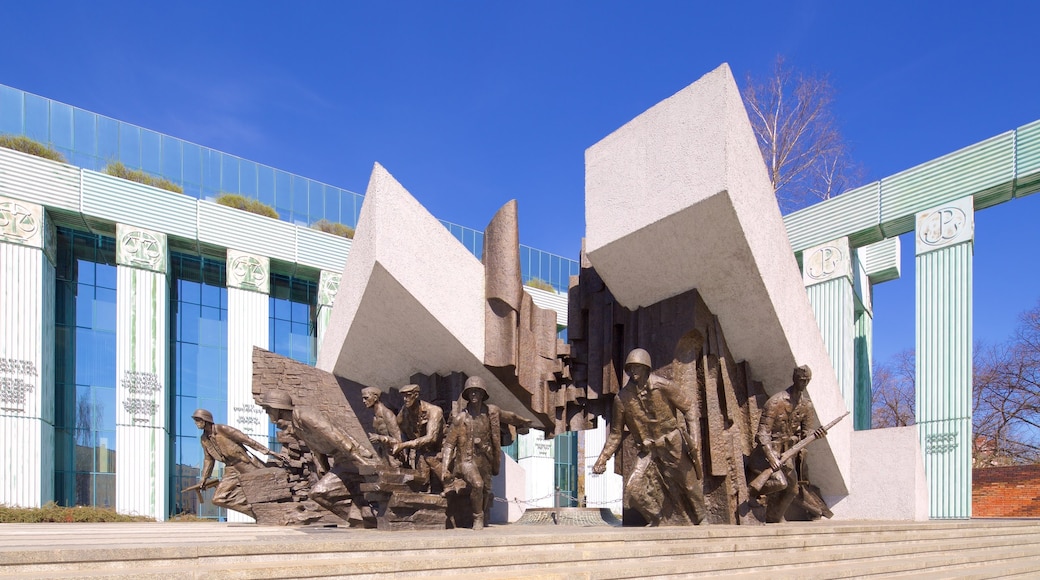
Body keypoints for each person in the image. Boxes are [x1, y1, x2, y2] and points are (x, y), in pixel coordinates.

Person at [592, 348, 706, 526]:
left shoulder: (663, 386)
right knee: (632, 490)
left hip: (671, 443)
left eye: (637, 367)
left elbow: (689, 408)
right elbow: (616, 433)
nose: (633, 371)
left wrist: (695, 439)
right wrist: (602, 459)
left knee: (689, 483)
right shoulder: (621, 399)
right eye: (630, 368)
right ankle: (658, 520)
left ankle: (702, 518)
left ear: (646, 368)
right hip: (648, 450)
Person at [259, 390, 377, 524]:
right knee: (318, 493)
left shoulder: (304, 415)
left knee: (320, 492)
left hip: (354, 457)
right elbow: (317, 450)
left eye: (268, 409)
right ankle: (365, 520)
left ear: (277, 409)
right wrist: (325, 471)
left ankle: (372, 517)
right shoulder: (297, 426)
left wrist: (361, 461)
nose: (267, 413)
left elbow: (335, 436)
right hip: (342, 461)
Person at [752, 364, 827, 523]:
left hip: (788, 453)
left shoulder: (806, 406)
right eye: (801, 380)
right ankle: (748, 492)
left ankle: (773, 517)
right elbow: (762, 433)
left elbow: (806, 434)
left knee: (792, 489)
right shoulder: (776, 401)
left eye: (807, 380)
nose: (804, 384)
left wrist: (817, 435)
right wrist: (772, 457)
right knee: (780, 483)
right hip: (768, 453)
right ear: (794, 379)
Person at [192, 408, 286, 518]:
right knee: (218, 499)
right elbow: (208, 459)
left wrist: (268, 452)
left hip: (245, 464)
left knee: (265, 489)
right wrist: (203, 478)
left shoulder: (222, 429)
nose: (196, 423)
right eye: (195, 420)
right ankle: (258, 514)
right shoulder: (204, 439)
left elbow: (247, 440)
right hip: (230, 469)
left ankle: (274, 510)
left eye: (198, 420)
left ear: (206, 420)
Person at [441, 377, 502, 530]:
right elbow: (449, 444)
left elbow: (496, 441)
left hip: (485, 460)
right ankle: (478, 518)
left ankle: (481, 512)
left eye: (477, 391)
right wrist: (445, 467)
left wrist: (496, 463)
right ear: (467, 395)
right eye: (471, 391)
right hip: (466, 462)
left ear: (482, 394)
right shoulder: (461, 418)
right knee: (478, 484)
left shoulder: (490, 415)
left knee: (486, 490)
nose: (474, 394)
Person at [392, 384, 445, 490]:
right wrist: (404, 452)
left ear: (416, 395)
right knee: (422, 482)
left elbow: (431, 438)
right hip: (422, 452)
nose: (405, 399)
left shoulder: (434, 411)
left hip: (440, 450)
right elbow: (402, 431)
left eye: (408, 395)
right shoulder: (404, 413)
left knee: (438, 484)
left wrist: (403, 445)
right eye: (403, 396)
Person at [362, 386, 402, 466]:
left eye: (366, 398)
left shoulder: (387, 414)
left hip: (394, 461)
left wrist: (380, 438)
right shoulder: (375, 416)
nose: (363, 401)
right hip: (384, 457)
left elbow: (399, 441)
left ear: (375, 397)